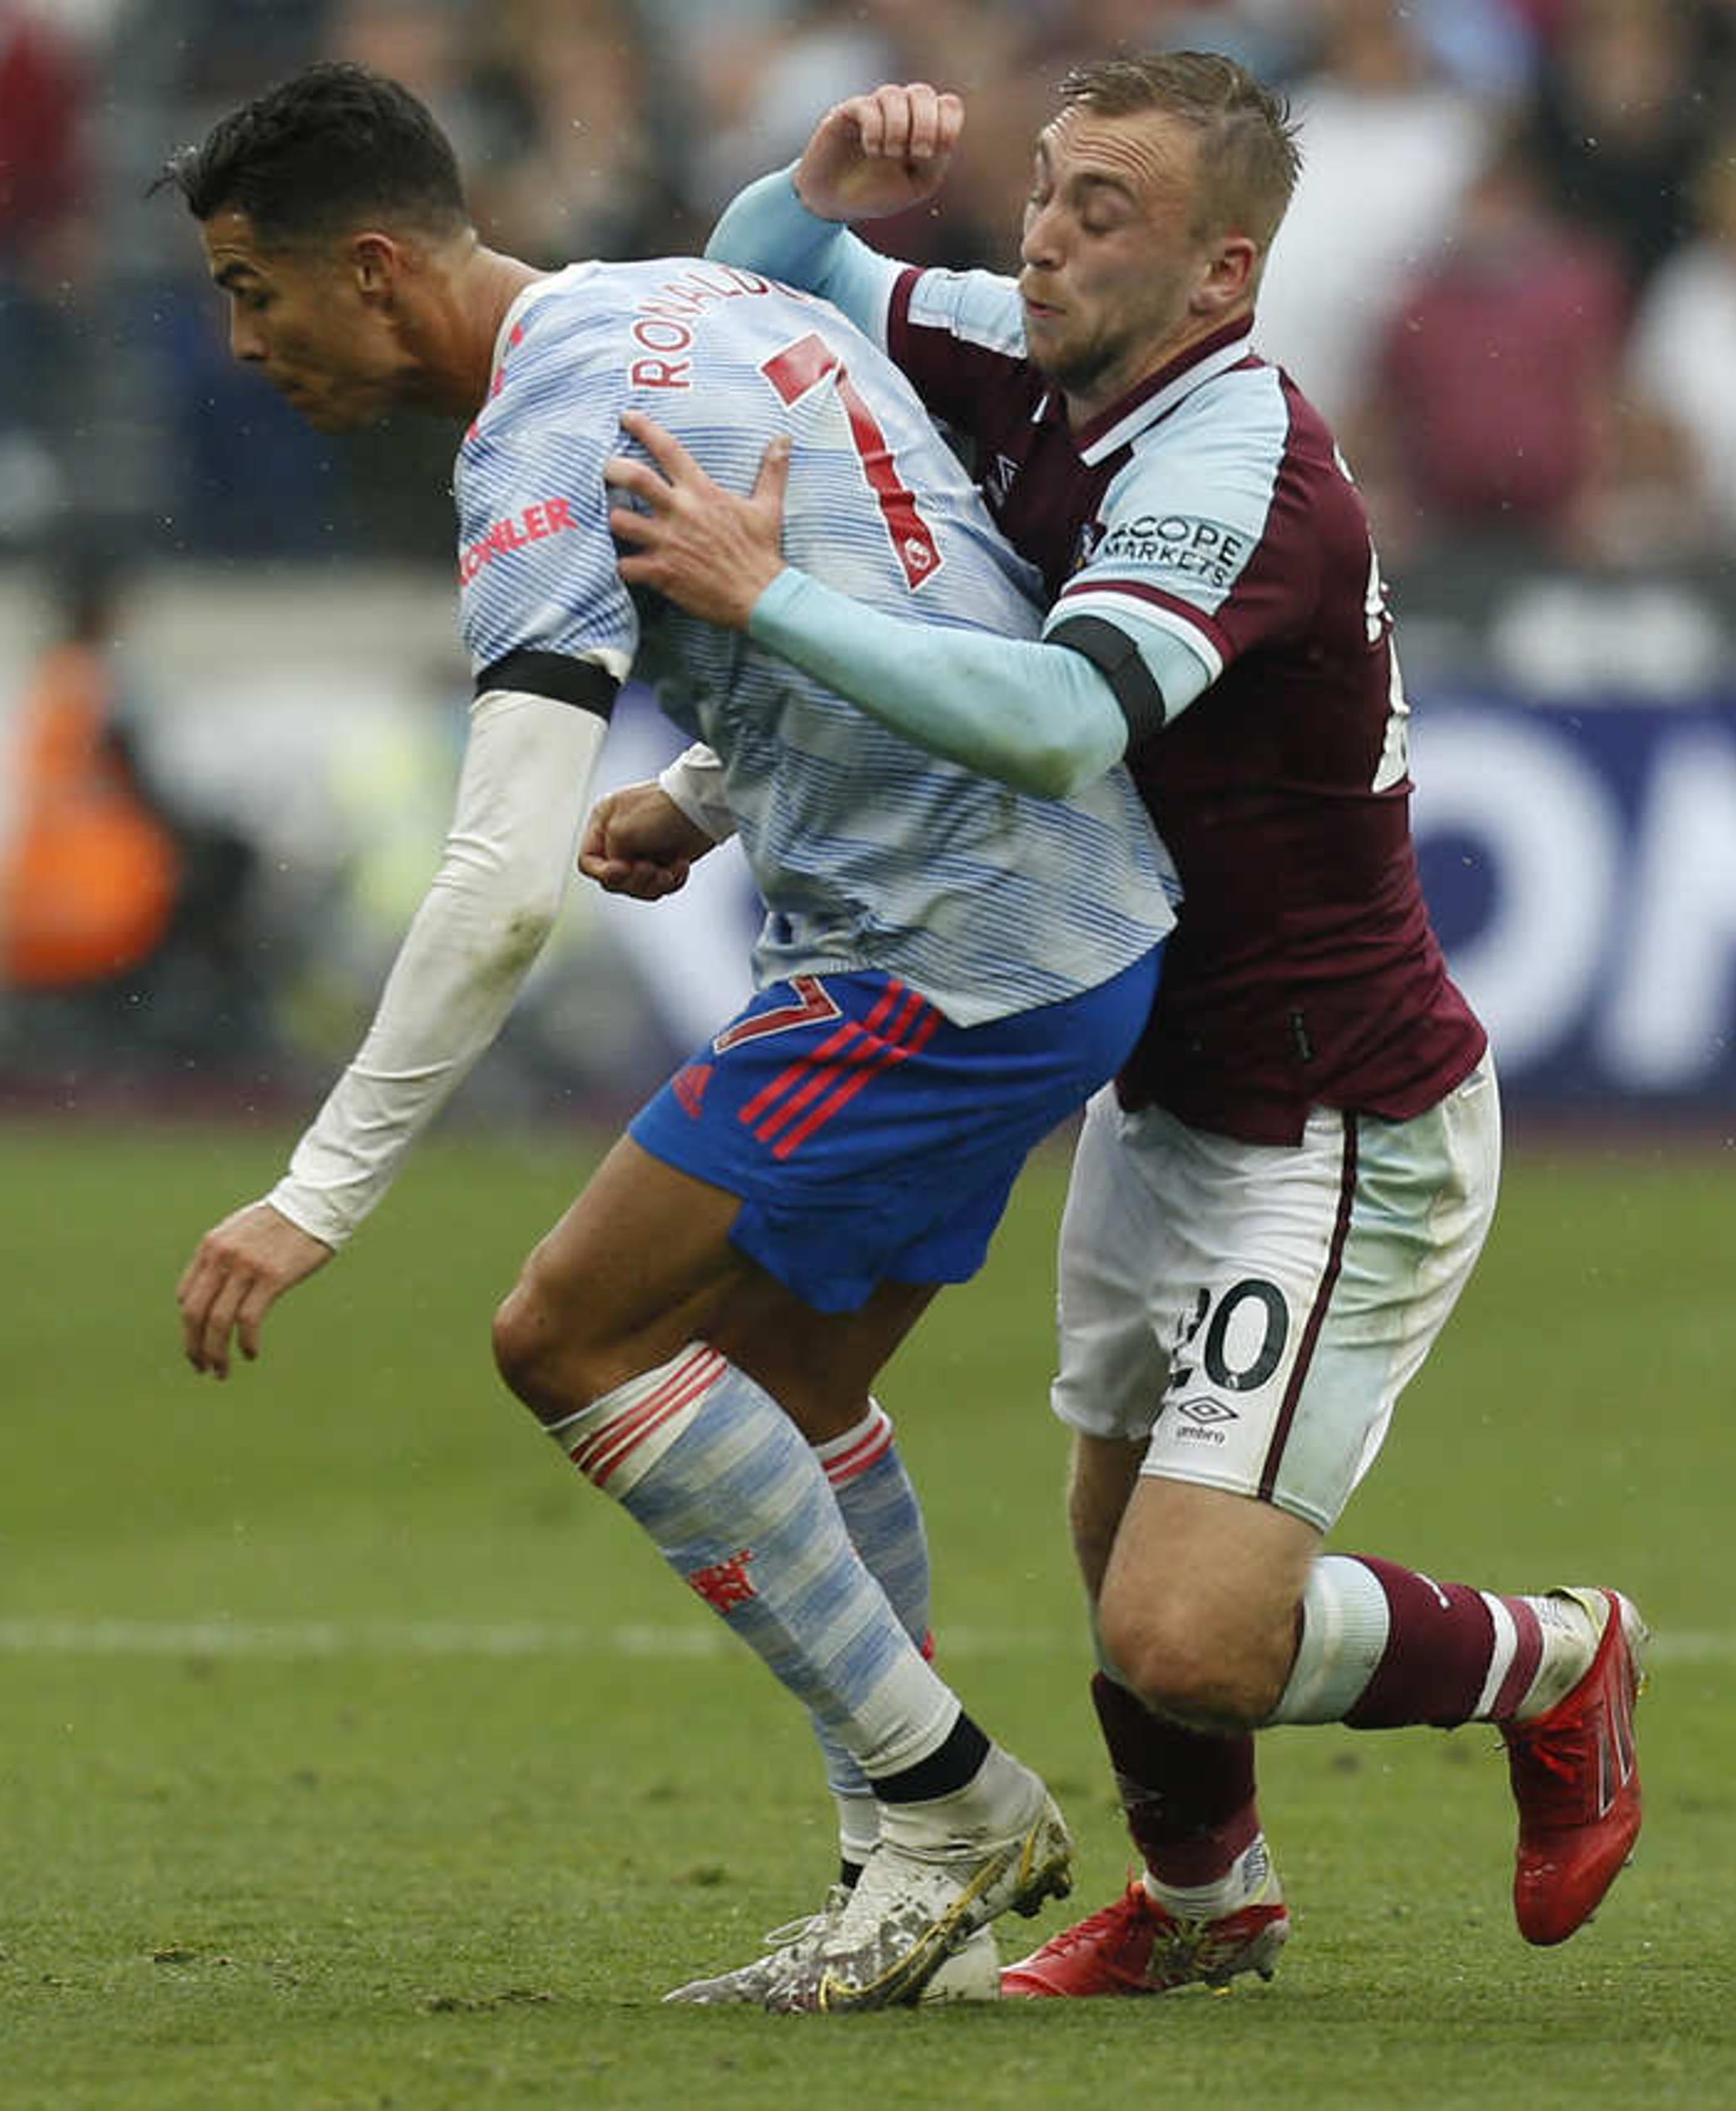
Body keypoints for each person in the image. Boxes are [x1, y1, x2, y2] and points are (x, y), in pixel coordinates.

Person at [601, 59, 1648, 1999]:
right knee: (1110, 1534)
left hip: (1337, 1117)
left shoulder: (1240, 469)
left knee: (1183, 1628)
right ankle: (1206, 1904)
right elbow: (760, 288)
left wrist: (761, 606)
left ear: (1221, 273)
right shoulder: (1032, 344)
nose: (1049, 232)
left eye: (1108, 212)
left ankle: (1555, 1654)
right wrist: (808, 185)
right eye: (1054, 187)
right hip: (1160, 1087)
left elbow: (1056, 722)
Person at [159, 62, 1179, 2012]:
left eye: (250, 288)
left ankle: (947, 1799)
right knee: (784, 1382)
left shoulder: (541, 428)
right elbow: (924, 551)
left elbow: (497, 882)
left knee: (567, 1329)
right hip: (1064, 919)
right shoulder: (698, 301)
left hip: (939, 952)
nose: (242, 339)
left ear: (373, 269)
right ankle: (910, 1884)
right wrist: (713, 789)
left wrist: (316, 1191)